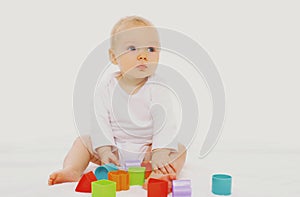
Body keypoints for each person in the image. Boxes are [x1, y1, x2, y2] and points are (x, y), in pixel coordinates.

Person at [48, 16, 186, 192]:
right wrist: (105, 150)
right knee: (82, 142)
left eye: (151, 49)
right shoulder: (106, 86)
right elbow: (99, 120)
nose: (143, 55)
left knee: (179, 149)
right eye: (132, 48)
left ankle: (157, 176)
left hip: (146, 152)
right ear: (114, 57)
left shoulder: (158, 86)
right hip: (113, 150)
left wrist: (160, 152)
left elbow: (165, 122)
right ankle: (73, 170)